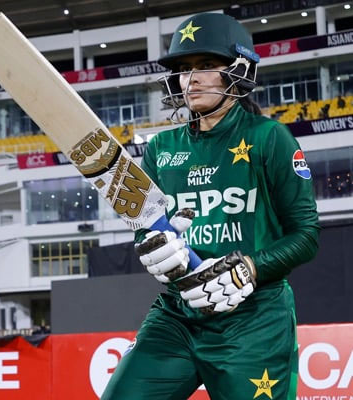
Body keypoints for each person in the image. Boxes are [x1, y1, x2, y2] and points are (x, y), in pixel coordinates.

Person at [102, 13, 319, 400]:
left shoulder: (270, 138)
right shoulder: (160, 149)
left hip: (254, 318)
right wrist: (155, 246)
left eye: (206, 66)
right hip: (178, 314)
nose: (191, 79)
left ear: (238, 71)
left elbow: (306, 235)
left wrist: (250, 267)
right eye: (184, 69)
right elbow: (146, 224)